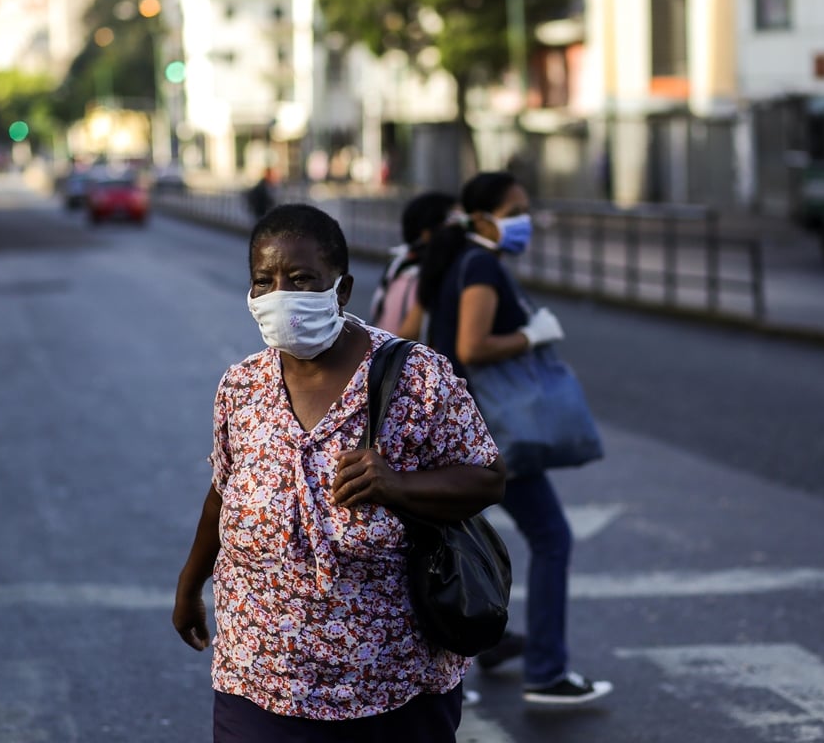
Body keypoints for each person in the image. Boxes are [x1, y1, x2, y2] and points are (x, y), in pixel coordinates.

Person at [173, 203, 507, 741]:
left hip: (392, 681)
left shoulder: (416, 377)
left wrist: (398, 485)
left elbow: (488, 479)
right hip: (260, 677)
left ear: (342, 289)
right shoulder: (240, 387)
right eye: (265, 280)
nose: (281, 294)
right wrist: (190, 585)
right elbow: (223, 490)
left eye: (301, 279)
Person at [417, 171, 613, 706]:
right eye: (514, 210)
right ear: (483, 218)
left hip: (463, 426)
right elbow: (472, 346)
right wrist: (533, 335)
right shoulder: (481, 264)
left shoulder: (465, 260)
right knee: (552, 537)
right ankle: (547, 671)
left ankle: (488, 645)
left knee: (456, 542)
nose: (524, 220)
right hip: (494, 430)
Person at [369, 191, 454, 337]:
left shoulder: (399, 264)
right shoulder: (417, 275)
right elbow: (406, 334)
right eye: (455, 223)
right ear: (427, 234)